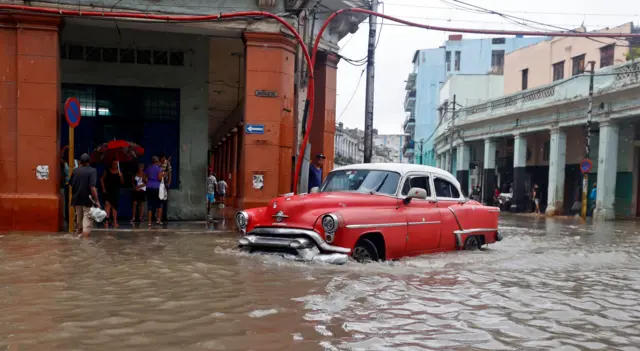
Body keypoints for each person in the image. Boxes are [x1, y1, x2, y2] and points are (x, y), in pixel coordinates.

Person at [69, 153, 100, 237]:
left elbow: (71, 184)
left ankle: (79, 245)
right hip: (88, 200)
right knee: (86, 225)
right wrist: (97, 201)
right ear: (89, 161)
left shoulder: (75, 171)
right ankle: (85, 246)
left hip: (77, 200)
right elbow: (92, 187)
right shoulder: (92, 171)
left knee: (79, 225)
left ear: (80, 162)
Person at [101, 160, 124, 228]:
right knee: (107, 206)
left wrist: (121, 176)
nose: (115, 165)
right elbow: (101, 179)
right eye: (114, 163)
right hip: (108, 191)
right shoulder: (107, 171)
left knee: (114, 207)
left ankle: (115, 222)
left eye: (116, 164)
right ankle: (106, 222)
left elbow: (122, 182)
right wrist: (103, 188)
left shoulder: (119, 172)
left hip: (116, 191)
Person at [146, 156, 165, 227]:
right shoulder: (159, 169)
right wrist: (163, 175)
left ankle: (149, 222)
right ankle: (158, 220)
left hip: (149, 187)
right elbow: (159, 178)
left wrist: (148, 183)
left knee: (150, 205)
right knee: (159, 204)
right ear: (157, 162)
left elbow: (144, 179)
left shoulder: (148, 169)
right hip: (157, 188)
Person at [159, 153, 172, 222]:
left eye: (163, 158)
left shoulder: (167, 163)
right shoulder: (158, 163)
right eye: (161, 159)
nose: (162, 160)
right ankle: (157, 216)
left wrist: (169, 182)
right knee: (158, 199)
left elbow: (170, 173)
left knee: (164, 200)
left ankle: (164, 216)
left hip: (165, 183)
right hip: (158, 183)